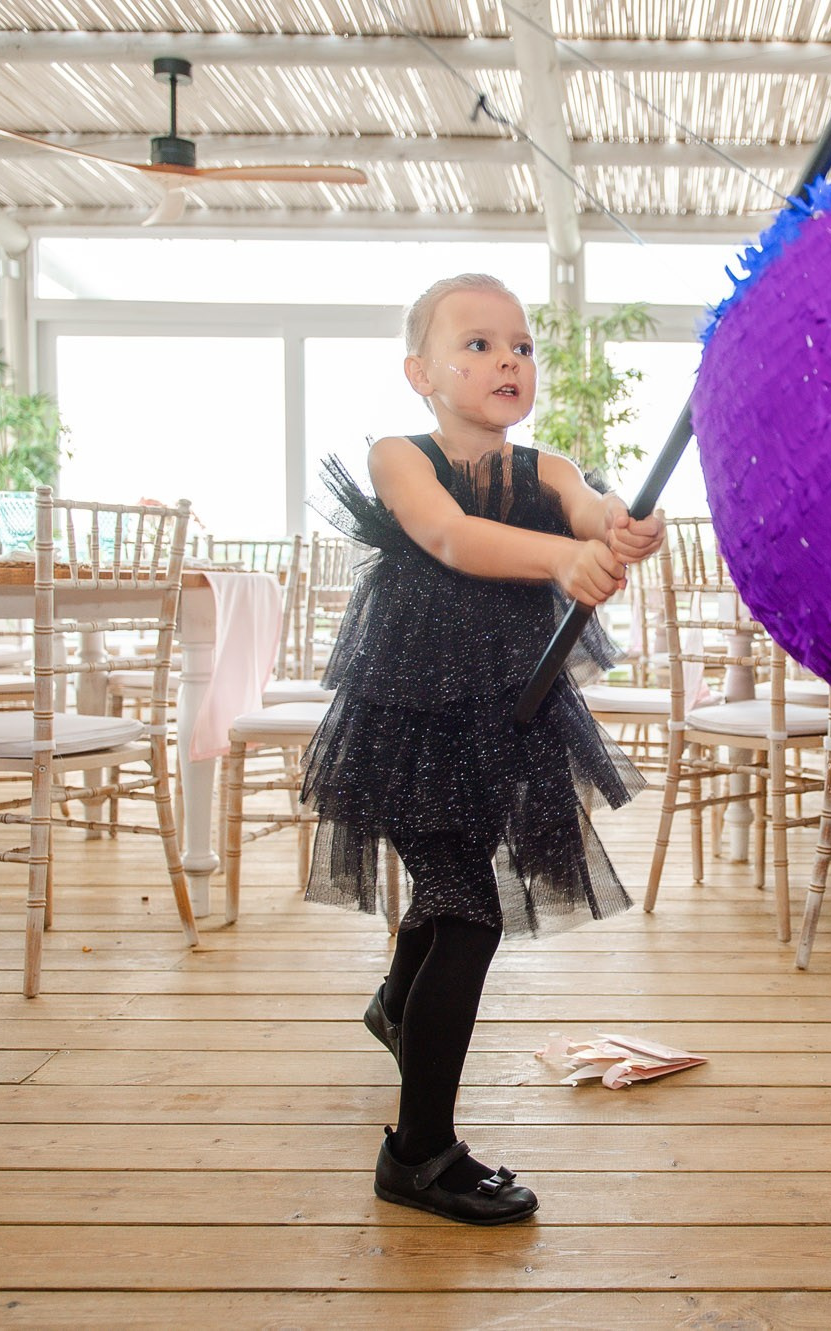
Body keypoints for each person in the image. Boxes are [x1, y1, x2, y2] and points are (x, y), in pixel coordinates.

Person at [301, 273, 662, 1223]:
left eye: (521, 345)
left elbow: (590, 506)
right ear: (419, 371)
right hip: (412, 717)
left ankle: (396, 1006)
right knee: (470, 909)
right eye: (478, 344)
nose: (507, 359)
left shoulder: (544, 469)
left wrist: (622, 524)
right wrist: (558, 559)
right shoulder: (399, 456)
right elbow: (452, 537)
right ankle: (417, 1153)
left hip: (508, 712)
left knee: (452, 882)